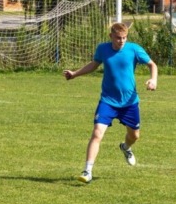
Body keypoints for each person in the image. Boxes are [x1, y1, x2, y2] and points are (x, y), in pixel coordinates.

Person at [63, 22, 158, 183]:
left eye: (124, 38)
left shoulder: (134, 49)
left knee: (134, 136)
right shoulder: (103, 49)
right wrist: (75, 74)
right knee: (97, 133)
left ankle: (126, 148)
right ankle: (87, 171)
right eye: (118, 38)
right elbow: (94, 65)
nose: (121, 41)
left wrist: (153, 79)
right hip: (108, 101)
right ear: (111, 37)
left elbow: (152, 64)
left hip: (129, 102)